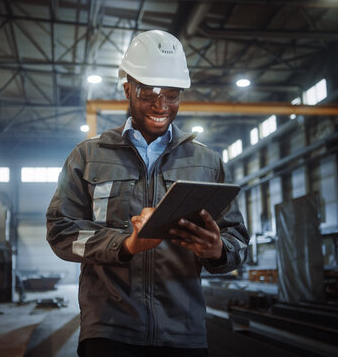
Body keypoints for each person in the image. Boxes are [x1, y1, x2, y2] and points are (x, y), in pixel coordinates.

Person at [46, 30, 249, 357]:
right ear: (128, 88)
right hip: (109, 331)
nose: (161, 105)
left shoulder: (206, 162)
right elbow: (61, 233)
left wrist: (217, 250)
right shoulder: (88, 157)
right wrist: (126, 244)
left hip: (183, 335)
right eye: (149, 92)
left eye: (172, 94)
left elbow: (237, 241)